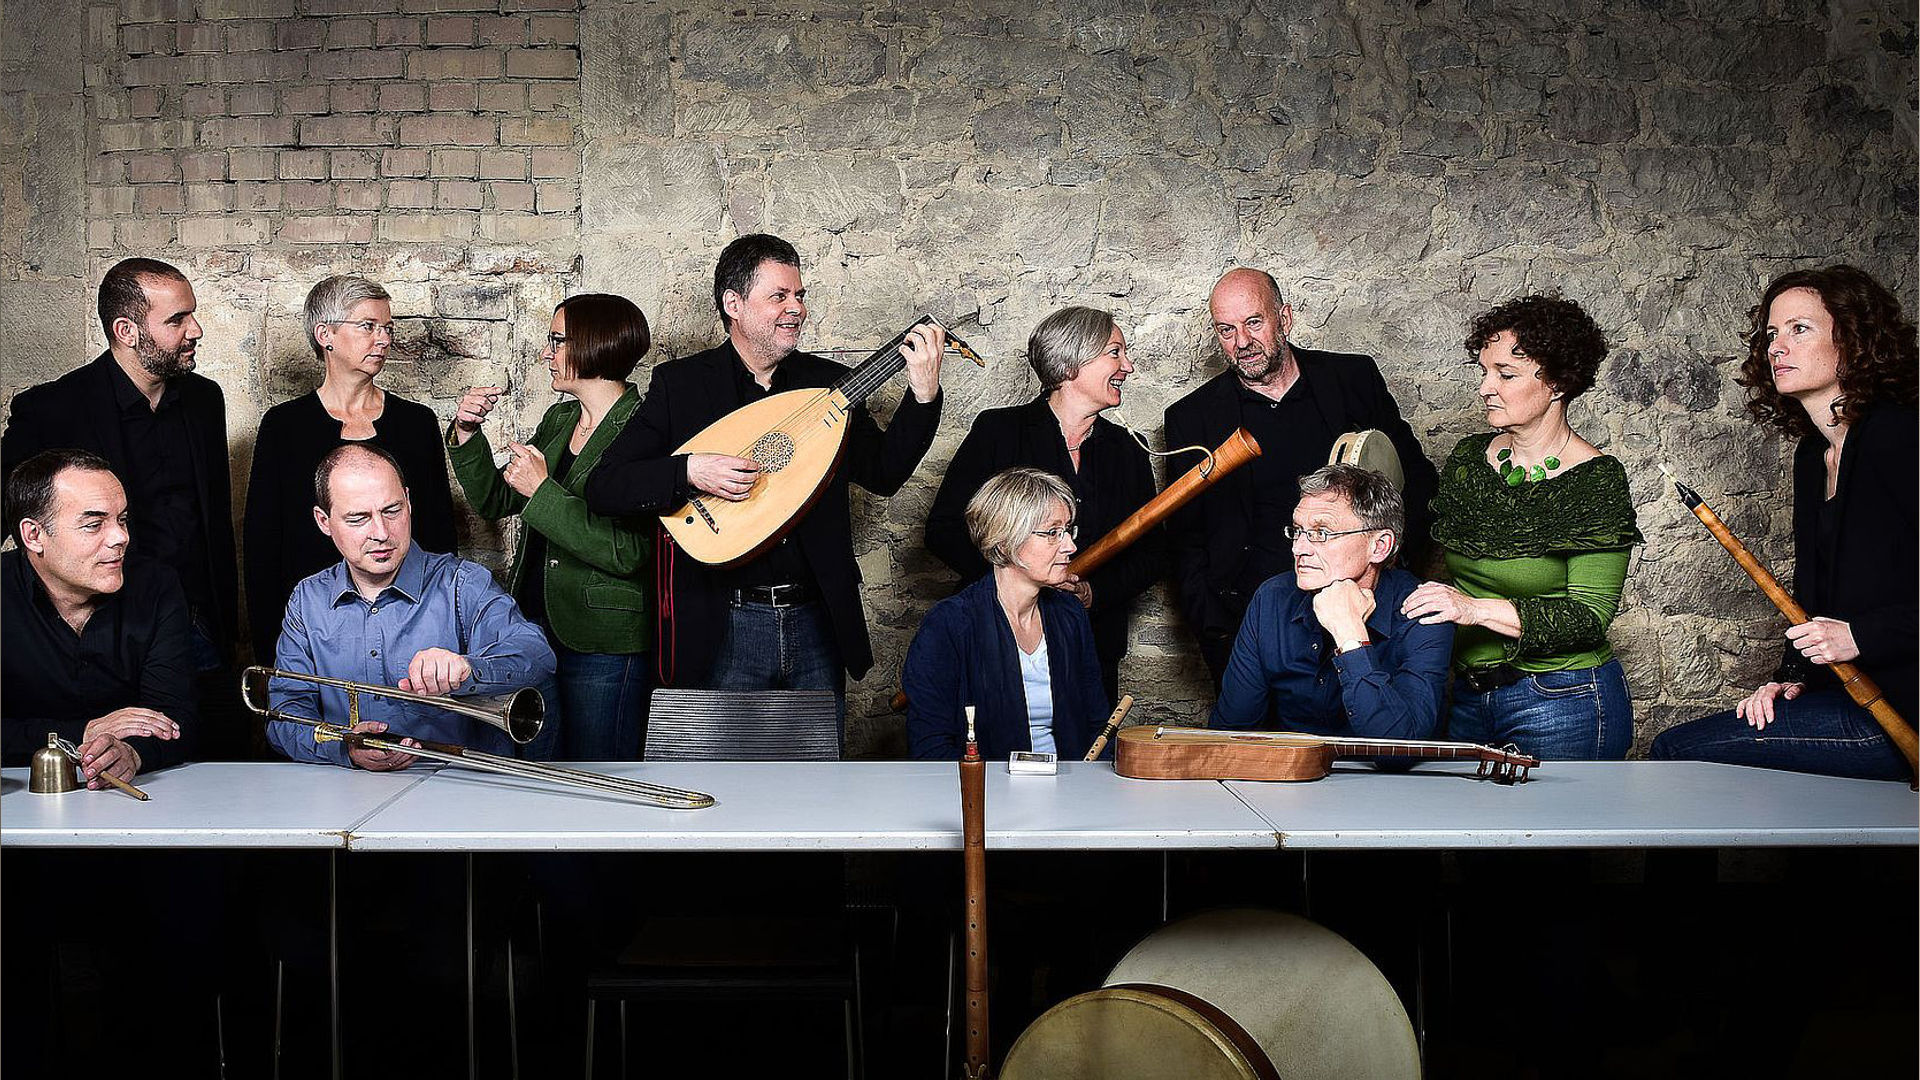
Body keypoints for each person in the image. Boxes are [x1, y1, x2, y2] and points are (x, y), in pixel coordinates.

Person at [584, 233, 947, 732]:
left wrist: (923, 396)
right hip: (725, 622)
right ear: (733, 304)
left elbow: (883, 474)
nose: (796, 308)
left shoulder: (830, 384)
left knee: (817, 766)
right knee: (725, 765)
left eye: (799, 295)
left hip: (815, 619)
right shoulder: (682, 386)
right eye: (779, 296)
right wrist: (689, 470)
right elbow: (605, 486)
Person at [1652, 265, 1916, 780]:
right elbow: (1817, 597)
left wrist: (1862, 635)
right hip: (1846, 695)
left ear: (1854, 340)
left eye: (1800, 329)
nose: (1777, 347)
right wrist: (1792, 677)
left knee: (1675, 753)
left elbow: (1855, 626)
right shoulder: (1814, 454)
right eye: (1772, 333)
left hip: (1903, 709)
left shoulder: (1900, 438)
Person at [1, 257, 239, 752]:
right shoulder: (51, 408)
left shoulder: (205, 399)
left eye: (192, 314)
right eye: (177, 319)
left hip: (198, 622)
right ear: (126, 331)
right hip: (107, 633)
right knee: (111, 758)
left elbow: (213, 519)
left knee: (210, 755)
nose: (195, 330)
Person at [1165, 268, 1437, 685]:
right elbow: (1185, 539)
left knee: (1371, 719)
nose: (1241, 342)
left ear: (1285, 318)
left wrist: (1388, 568)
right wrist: (1214, 629)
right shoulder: (1191, 417)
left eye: (1254, 322)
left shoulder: (1352, 379)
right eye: (1226, 330)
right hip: (1252, 628)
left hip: (1362, 614)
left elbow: (1417, 480)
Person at [1402, 295, 1641, 761]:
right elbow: (1435, 568)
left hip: (1564, 699)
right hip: (1469, 696)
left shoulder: (1595, 480)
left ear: (1556, 383)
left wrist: (1473, 609)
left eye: (1505, 375)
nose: (1486, 388)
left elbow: (1587, 618)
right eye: (1484, 372)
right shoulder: (1470, 460)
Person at [449, 294, 654, 760]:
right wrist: (466, 433)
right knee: (538, 766)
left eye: (557, 340)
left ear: (594, 343)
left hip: (604, 641)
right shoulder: (560, 419)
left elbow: (628, 551)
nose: (546, 352)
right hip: (535, 629)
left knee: (600, 772)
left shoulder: (643, 427)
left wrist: (542, 491)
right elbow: (496, 499)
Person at [264, 444, 555, 769]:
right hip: (349, 788)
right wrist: (343, 746)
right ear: (324, 521)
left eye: (392, 511)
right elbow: (285, 715)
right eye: (358, 518)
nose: (381, 533)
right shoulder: (307, 600)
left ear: (408, 501)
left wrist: (468, 668)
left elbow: (537, 654)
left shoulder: (462, 583)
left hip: (459, 785)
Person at [924, 306, 1161, 701]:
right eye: (1115, 353)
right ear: (1070, 364)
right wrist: (1016, 585)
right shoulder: (998, 432)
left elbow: (1152, 553)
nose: (1128, 366)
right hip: (996, 637)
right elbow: (943, 530)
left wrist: (1094, 591)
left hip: (1090, 645)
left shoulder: (1129, 450)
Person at [244, 274, 457, 668]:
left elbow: (439, 536)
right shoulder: (283, 427)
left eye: (387, 328)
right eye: (368, 326)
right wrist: (273, 654)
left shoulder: (417, 423)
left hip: (411, 629)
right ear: (325, 334)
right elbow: (263, 548)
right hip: (314, 632)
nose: (384, 339)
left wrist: (442, 631)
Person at [1212, 464, 1452, 742]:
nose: (1298, 548)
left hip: (1380, 771)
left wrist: (1350, 638)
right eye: (1298, 531)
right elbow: (1231, 733)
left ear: (1379, 546)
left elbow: (1400, 748)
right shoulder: (1272, 599)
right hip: (1292, 767)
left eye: (1321, 533)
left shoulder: (1423, 611)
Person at [2, 449, 196, 782]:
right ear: (34, 535)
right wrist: (85, 733)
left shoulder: (156, 586)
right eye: (94, 525)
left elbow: (176, 718)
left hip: (143, 796)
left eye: (122, 519)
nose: (121, 537)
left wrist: (131, 753)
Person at [905, 467, 1109, 760]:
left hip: (1069, 783)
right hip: (987, 787)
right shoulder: (949, 625)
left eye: (1068, 530)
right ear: (1005, 542)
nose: (1070, 546)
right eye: (1053, 533)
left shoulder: (1070, 613)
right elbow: (930, 750)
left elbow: (1097, 726)